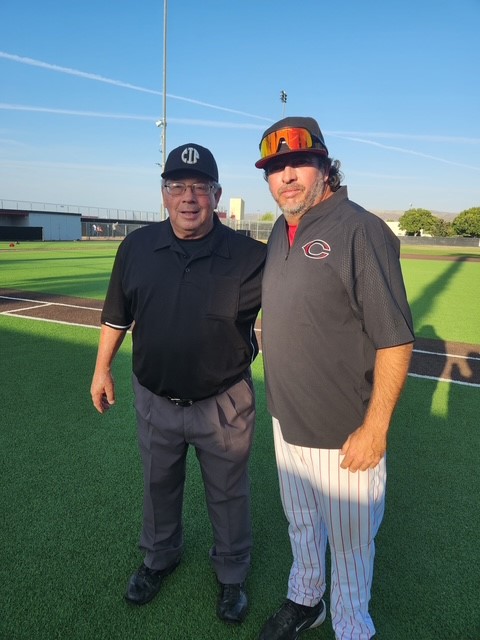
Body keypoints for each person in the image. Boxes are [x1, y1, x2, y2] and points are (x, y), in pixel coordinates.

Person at [90, 143, 266, 624]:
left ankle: (232, 573)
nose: (189, 197)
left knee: (228, 492)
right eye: (177, 186)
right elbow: (116, 316)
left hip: (224, 400)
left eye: (200, 187)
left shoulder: (251, 256)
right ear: (164, 193)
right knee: (157, 484)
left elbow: (298, 309)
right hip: (155, 398)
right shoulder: (136, 248)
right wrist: (102, 369)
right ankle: (159, 557)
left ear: (217, 195)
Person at [254, 117, 414, 640]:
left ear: (325, 166)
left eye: (298, 163)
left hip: (344, 433)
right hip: (286, 422)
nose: (286, 176)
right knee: (302, 524)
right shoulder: (279, 229)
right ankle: (307, 600)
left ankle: (350, 626)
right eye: (275, 168)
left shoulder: (359, 230)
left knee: (350, 545)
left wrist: (375, 429)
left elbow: (395, 339)